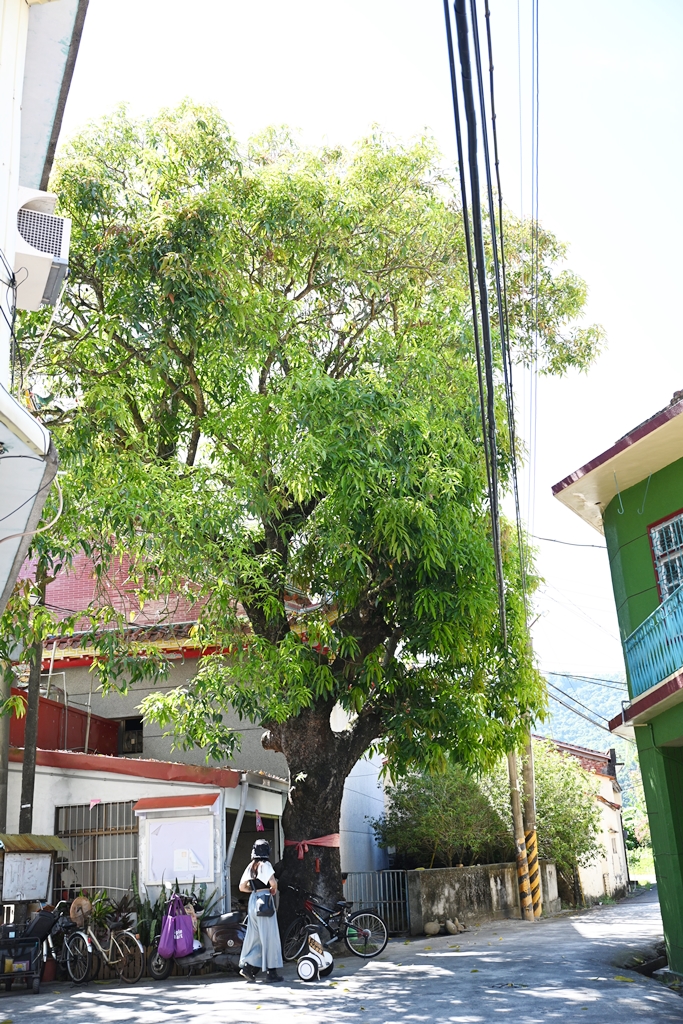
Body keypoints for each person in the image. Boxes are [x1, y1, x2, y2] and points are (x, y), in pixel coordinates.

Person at [238, 839, 284, 983]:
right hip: (264, 902)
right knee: (270, 937)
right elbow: (273, 883)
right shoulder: (266, 865)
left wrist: (253, 890)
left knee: (255, 937)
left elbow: (242, 887)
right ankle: (271, 973)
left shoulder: (251, 866)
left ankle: (247, 966)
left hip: (253, 902)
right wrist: (273, 890)